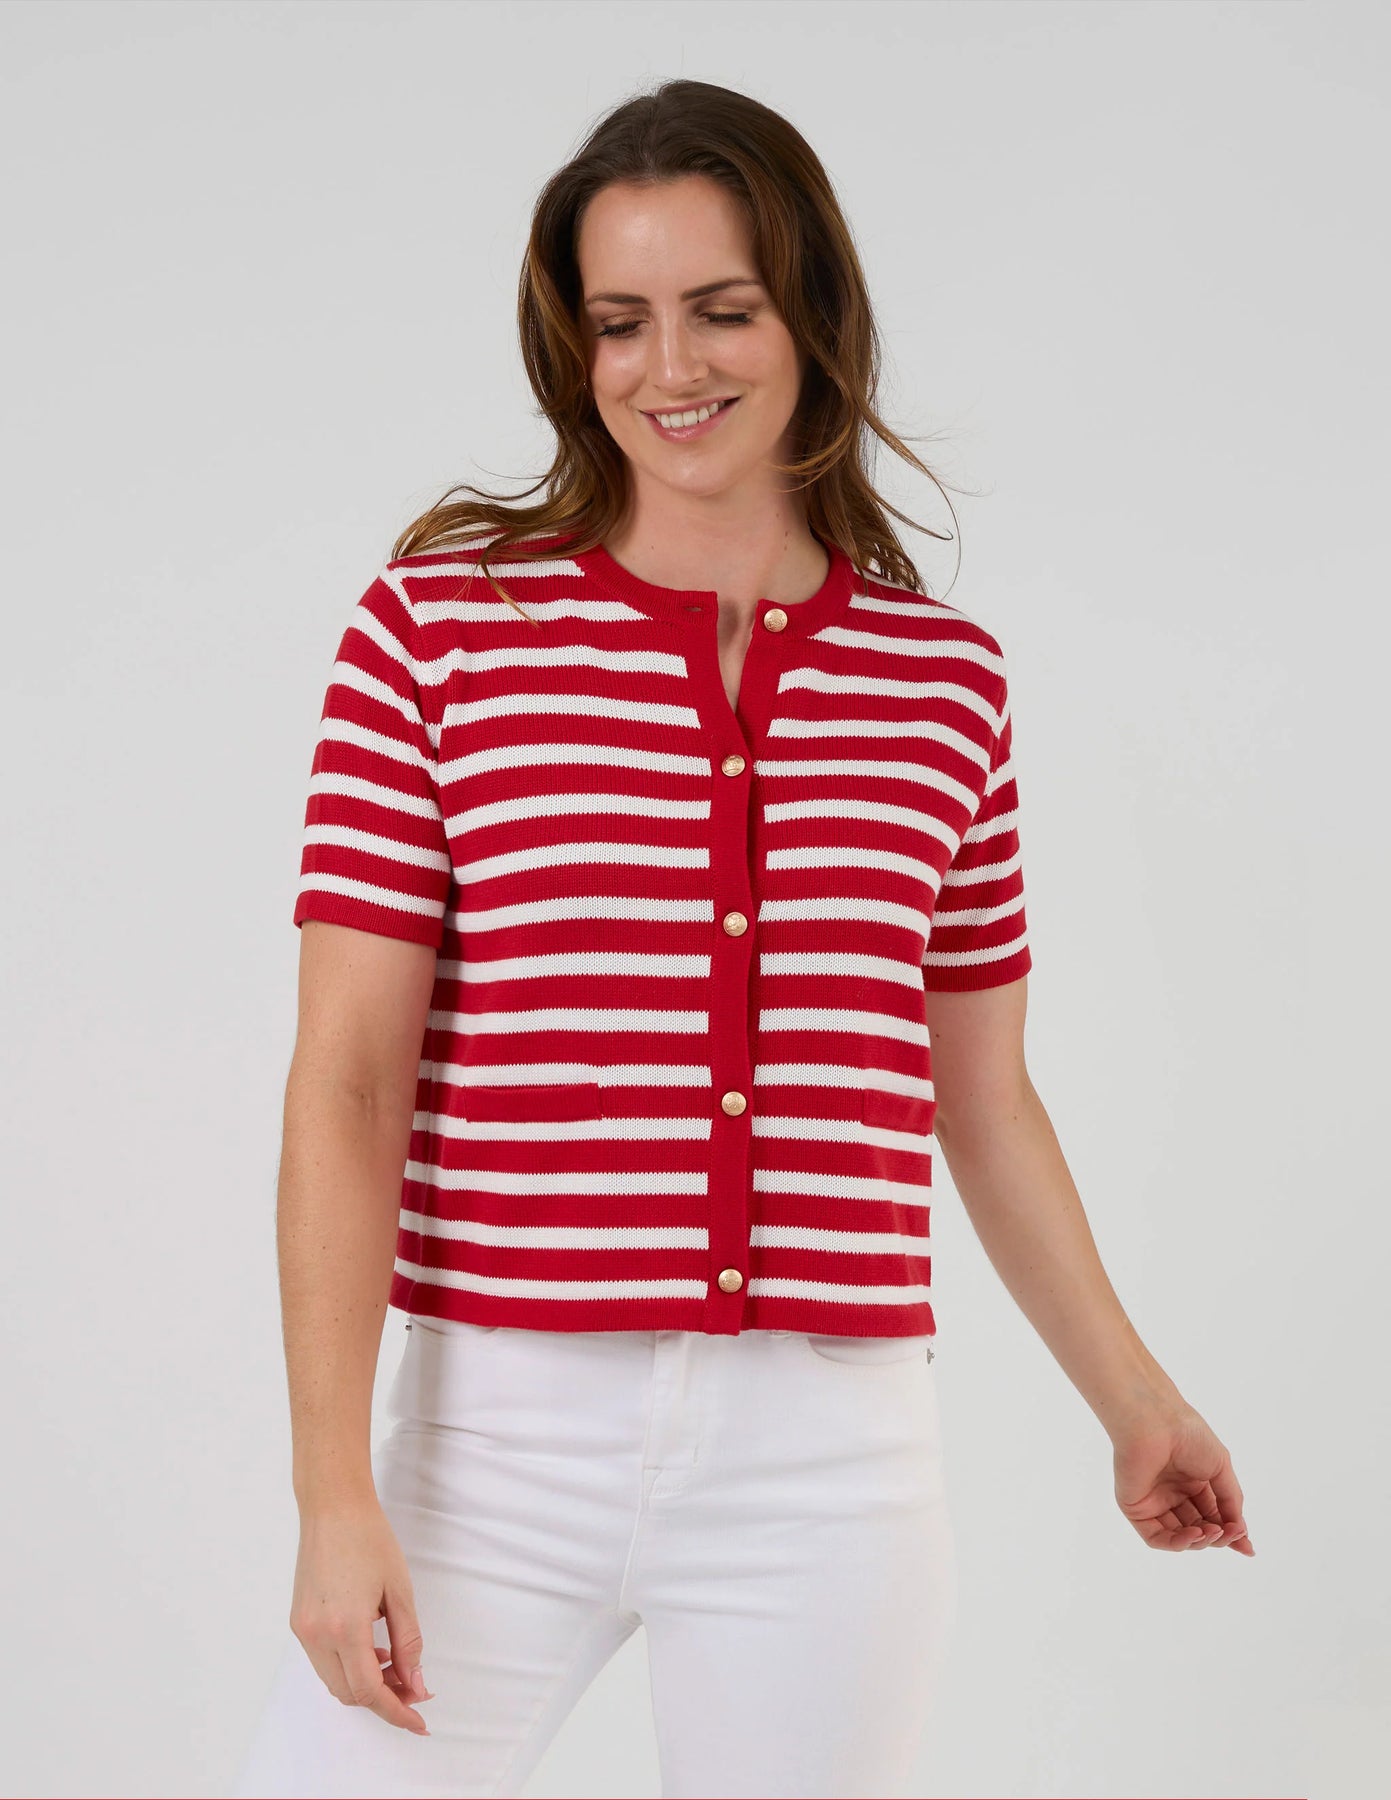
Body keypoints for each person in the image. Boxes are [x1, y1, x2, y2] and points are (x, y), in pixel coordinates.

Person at [230, 77, 1253, 1800]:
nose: (669, 367)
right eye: (618, 321)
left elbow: (982, 1096)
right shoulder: (440, 634)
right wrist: (336, 1494)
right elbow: (346, 1082)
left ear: (811, 318)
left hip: (827, 1460)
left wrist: (1136, 1401)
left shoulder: (942, 684)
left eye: (722, 308)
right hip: (492, 1441)